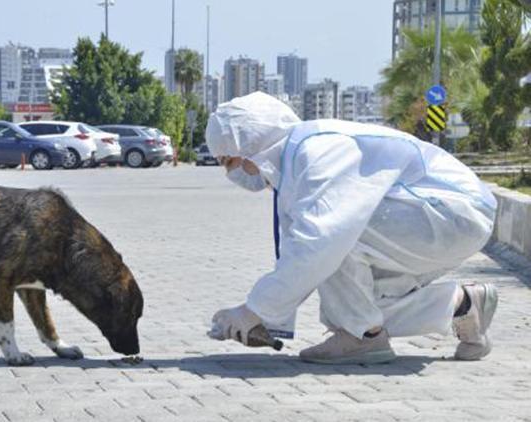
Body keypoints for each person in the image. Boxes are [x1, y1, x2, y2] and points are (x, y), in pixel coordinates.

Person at [206, 92, 498, 364]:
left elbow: (320, 239)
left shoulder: (319, 148)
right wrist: (265, 320)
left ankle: (362, 336)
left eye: (230, 160)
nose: (233, 172)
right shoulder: (295, 162)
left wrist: (254, 310)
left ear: (253, 143)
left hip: (455, 212)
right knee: (358, 305)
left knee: (334, 241)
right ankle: (463, 304)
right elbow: (297, 252)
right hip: (439, 219)